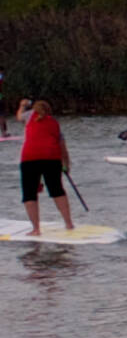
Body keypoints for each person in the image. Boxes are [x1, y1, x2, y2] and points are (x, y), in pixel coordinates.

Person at [15, 98, 74, 236]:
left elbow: (18, 117)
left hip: (30, 158)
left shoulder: (29, 116)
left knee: (29, 193)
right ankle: (69, 223)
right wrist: (66, 165)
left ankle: (36, 229)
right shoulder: (55, 123)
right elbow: (62, 147)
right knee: (57, 190)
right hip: (52, 158)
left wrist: (22, 105)